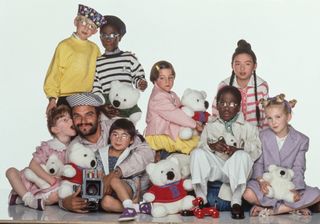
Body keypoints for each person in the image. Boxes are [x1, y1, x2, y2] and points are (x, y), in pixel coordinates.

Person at [60, 93, 154, 213]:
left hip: (140, 194)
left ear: (98, 116)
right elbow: (66, 181)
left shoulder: (116, 127)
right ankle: (133, 209)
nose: (83, 121)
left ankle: (134, 205)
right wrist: (64, 202)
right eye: (77, 116)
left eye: (89, 114)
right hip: (105, 207)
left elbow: (147, 153)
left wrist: (116, 173)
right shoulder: (73, 149)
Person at [190, 86, 262, 219]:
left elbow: (257, 150)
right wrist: (212, 146)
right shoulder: (210, 126)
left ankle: (236, 201)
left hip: (239, 168)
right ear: (217, 105)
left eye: (232, 104)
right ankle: (201, 199)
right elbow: (201, 145)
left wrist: (238, 149)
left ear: (239, 106)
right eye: (222, 103)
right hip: (219, 167)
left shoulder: (248, 127)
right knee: (197, 153)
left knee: (241, 155)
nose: (226, 107)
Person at [243, 94, 320, 216]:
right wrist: (262, 181)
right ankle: (291, 208)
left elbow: (298, 168)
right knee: (247, 193)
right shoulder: (262, 136)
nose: (274, 122)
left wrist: (295, 189)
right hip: (267, 184)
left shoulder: (301, 140)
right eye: (269, 118)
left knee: (317, 194)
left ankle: (272, 210)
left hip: (288, 185)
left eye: (278, 117)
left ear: (288, 117)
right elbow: (258, 163)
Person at [6, 105, 76, 210]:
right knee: (11, 171)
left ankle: (21, 198)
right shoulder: (49, 146)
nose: (71, 121)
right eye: (65, 120)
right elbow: (33, 165)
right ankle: (28, 199)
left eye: (71, 118)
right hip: (36, 181)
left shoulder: (75, 148)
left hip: (52, 189)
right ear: (55, 129)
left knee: (58, 195)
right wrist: (51, 180)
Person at [44, 4, 105, 115]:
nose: (86, 28)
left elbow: (101, 70)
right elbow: (54, 72)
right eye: (84, 23)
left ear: (95, 32)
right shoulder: (64, 46)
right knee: (67, 129)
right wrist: (52, 99)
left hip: (87, 97)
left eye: (91, 26)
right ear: (76, 22)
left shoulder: (94, 48)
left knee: (85, 129)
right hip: (66, 97)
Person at [145, 60, 203, 161]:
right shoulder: (158, 97)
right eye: (162, 78)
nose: (167, 81)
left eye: (170, 78)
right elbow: (175, 114)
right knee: (191, 145)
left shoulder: (171, 94)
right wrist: (194, 124)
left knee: (195, 140)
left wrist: (198, 117)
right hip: (159, 135)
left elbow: (182, 109)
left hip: (168, 132)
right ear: (155, 80)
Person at [96, 118, 152, 221]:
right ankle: (135, 208)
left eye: (124, 135)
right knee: (105, 203)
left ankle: (129, 207)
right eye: (115, 134)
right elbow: (98, 172)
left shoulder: (131, 154)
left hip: (127, 187)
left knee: (114, 180)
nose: (118, 139)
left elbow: (136, 175)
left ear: (131, 140)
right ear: (110, 136)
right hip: (108, 191)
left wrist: (137, 193)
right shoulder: (100, 153)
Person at [92, 15, 147, 115]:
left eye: (112, 35)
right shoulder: (98, 63)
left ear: (120, 37)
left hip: (127, 106)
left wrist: (141, 83)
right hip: (107, 108)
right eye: (104, 35)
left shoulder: (129, 58)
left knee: (128, 128)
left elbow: (138, 75)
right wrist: (102, 106)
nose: (107, 39)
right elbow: (96, 88)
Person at [212, 39, 269, 129]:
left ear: (254, 66)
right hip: (229, 138)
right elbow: (216, 114)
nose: (242, 68)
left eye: (247, 64)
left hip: (257, 137)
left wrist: (264, 139)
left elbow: (266, 116)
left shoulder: (262, 86)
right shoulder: (224, 85)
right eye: (238, 64)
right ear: (232, 65)